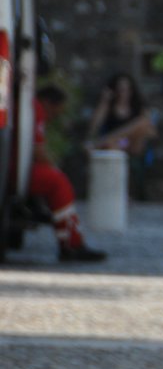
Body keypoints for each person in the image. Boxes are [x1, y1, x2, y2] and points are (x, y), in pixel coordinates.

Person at [27, 85, 106, 262]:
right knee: (57, 182)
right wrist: (53, 166)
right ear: (48, 103)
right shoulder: (36, 109)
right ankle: (71, 244)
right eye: (55, 112)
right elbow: (38, 150)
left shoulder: (32, 108)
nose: (53, 117)